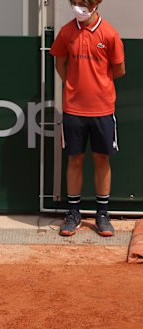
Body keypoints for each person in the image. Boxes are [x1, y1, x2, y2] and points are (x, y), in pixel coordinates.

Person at [50, 0, 125, 237]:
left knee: (102, 160)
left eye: (82, 4)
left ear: (95, 4)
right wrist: (72, 83)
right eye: (74, 3)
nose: (77, 8)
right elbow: (59, 61)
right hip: (73, 109)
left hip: (102, 109)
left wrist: (97, 84)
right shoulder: (66, 32)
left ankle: (102, 214)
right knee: (75, 160)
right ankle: (73, 213)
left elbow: (119, 70)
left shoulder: (110, 34)